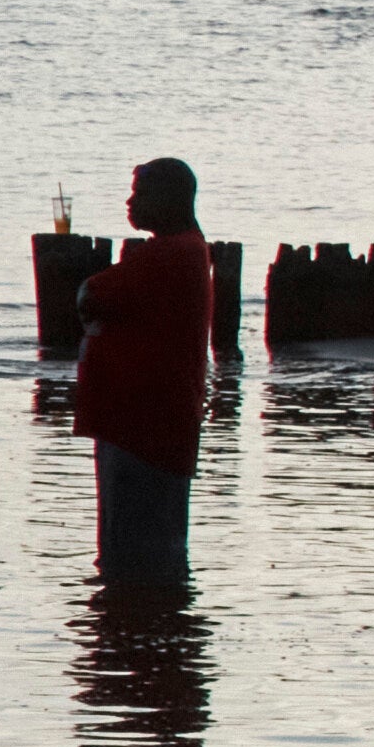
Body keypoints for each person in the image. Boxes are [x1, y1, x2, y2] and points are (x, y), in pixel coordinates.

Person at [69, 158, 215, 590]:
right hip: (146, 424)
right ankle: (152, 628)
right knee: (145, 552)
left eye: (139, 193)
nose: (130, 202)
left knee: (132, 554)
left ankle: (135, 629)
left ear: (168, 198)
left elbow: (89, 295)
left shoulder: (168, 253)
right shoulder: (185, 249)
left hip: (141, 428)